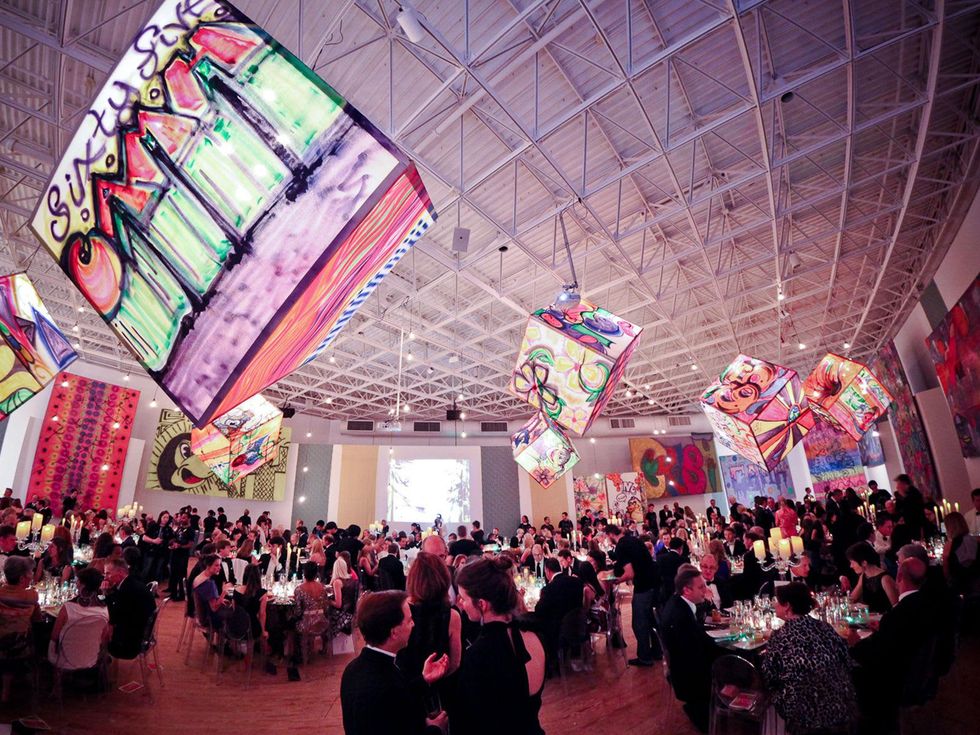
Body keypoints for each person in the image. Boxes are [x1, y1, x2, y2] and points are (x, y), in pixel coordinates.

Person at [454, 557, 546, 735]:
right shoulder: (535, 635)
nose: (460, 603)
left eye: (463, 598)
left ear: (482, 604)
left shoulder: (479, 654)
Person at [340, 590, 449, 734]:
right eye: (409, 620)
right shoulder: (385, 683)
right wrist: (435, 728)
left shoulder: (353, 668)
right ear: (394, 632)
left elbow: (395, 705)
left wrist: (424, 680)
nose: (413, 624)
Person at [850, 557, 936, 731]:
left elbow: (877, 655)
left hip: (893, 680)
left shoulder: (899, 614)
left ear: (899, 578)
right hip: (919, 673)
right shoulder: (929, 604)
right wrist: (882, 630)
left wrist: (854, 644)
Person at [761, 582, 856, 734]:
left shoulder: (780, 636)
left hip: (803, 713)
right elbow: (846, 660)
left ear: (787, 606)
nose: (774, 606)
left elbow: (769, 676)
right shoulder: (825, 627)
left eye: (778, 602)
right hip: (840, 704)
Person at [657, 564, 723, 732]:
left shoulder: (677, 603)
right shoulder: (680, 616)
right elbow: (695, 652)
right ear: (687, 590)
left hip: (684, 665)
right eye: (701, 587)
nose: (705, 589)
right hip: (689, 677)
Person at [532, 557, 589, 667]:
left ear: (547, 571)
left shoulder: (548, 589)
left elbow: (538, 611)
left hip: (559, 631)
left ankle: (546, 661)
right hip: (578, 625)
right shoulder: (577, 582)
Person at [48, 567, 109, 667]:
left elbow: (54, 637)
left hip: (64, 659)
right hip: (90, 659)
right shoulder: (104, 611)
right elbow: (103, 639)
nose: (76, 584)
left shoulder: (68, 608)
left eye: (77, 581)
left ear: (82, 585)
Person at [104, 558, 156, 659]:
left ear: (120, 573)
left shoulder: (127, 590)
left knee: (96, 636)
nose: (105, 578)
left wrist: (106, 595)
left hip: (129, 644)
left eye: (108, 574)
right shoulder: (130, 583)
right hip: (139, 633)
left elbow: (113, 618)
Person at [845, 542, 898, 613]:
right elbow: (852, 599)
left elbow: (897, 608)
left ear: (864, 563)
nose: (851, 566)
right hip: (870, 620)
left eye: (852, 562)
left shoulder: (885, 579)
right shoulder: (864, 576)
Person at [941, 511, 979, 598]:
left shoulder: (949, 545)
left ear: (949, 527)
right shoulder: (975, 540)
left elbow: (946, 572)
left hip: (959, 587)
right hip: (976, 584)